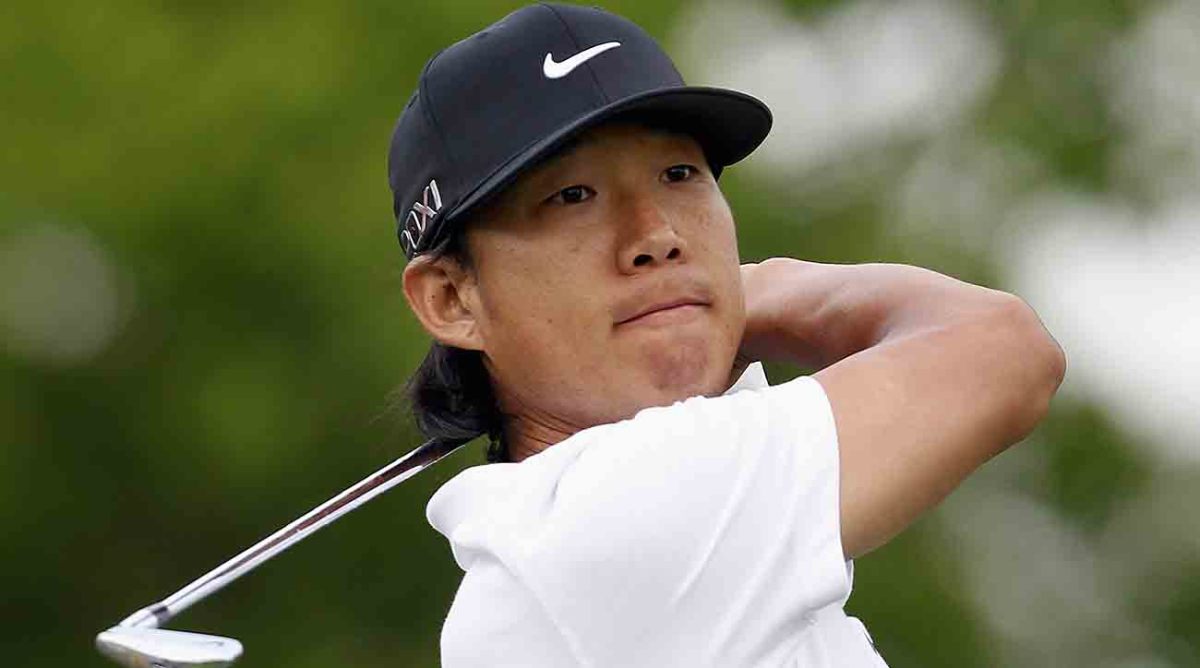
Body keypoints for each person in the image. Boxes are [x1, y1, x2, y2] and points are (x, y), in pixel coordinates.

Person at [388, 4, 1066, 667]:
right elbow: (1002, 349)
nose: (657, 235)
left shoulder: (537, 557)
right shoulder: (614, 513)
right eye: (572, 196)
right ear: (451, 299)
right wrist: (756, 291)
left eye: (678, 174)